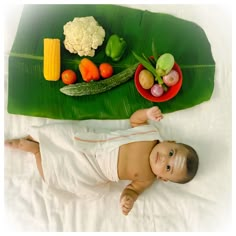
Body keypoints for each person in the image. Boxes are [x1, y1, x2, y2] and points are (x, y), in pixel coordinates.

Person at [5, 106, 199, 215]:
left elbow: (132, 189)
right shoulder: (151, 133)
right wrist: (147, 113)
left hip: (95, 170)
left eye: (167, 167)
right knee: (65, 134)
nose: (164, 158)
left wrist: (128, 199)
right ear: (171, 142)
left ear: (163, 178)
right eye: (171, 153)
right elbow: (136, 120)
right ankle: (39, 141)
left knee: (66, 175)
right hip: (94, 142)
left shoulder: (148, 178)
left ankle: (36, 152)